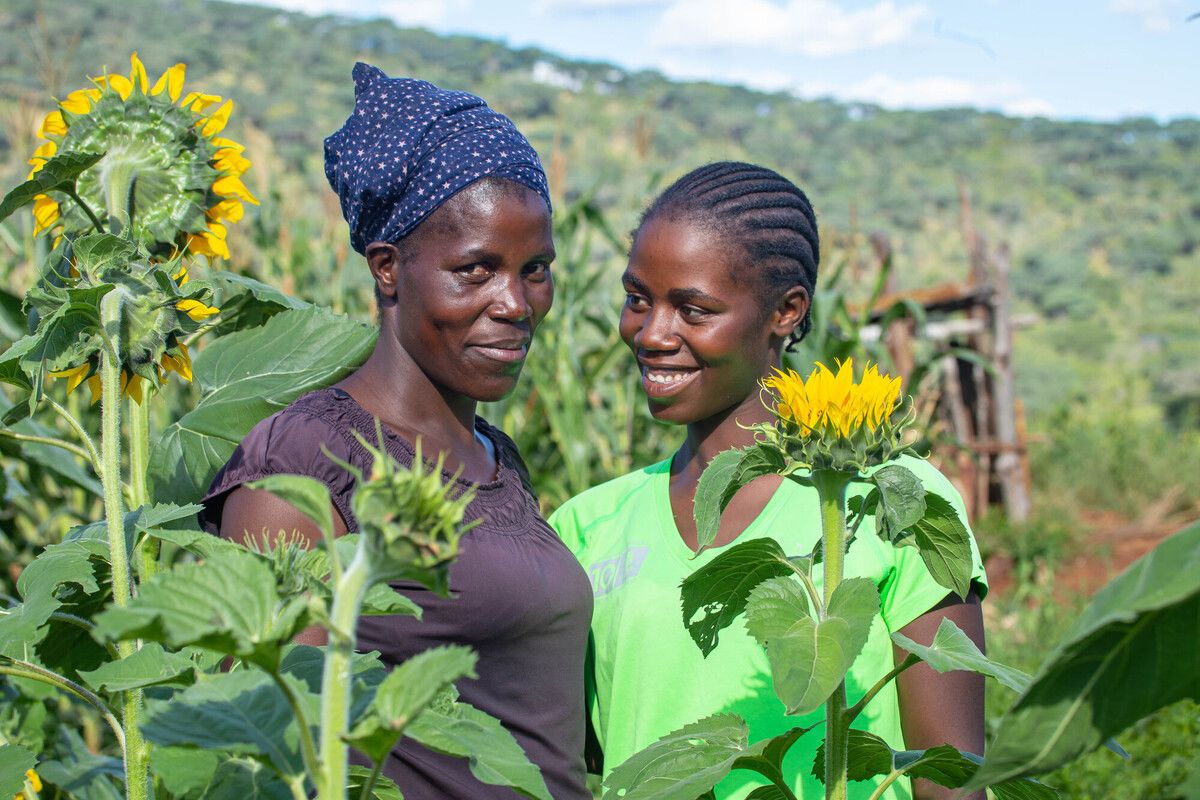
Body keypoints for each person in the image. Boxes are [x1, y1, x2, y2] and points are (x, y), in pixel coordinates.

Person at [199, 63, 593, 800]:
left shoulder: (492, 459)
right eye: (475, 270)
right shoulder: (308, 462)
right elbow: (268, 743)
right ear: (388, 268)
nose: (516, 303)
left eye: (534, 268)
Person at [549, 162, 988, 800]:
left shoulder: (893, 502)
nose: (650, 334)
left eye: (693, 309)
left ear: (786, 312)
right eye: (638, 298)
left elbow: (949, 778)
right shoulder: (586, 525)